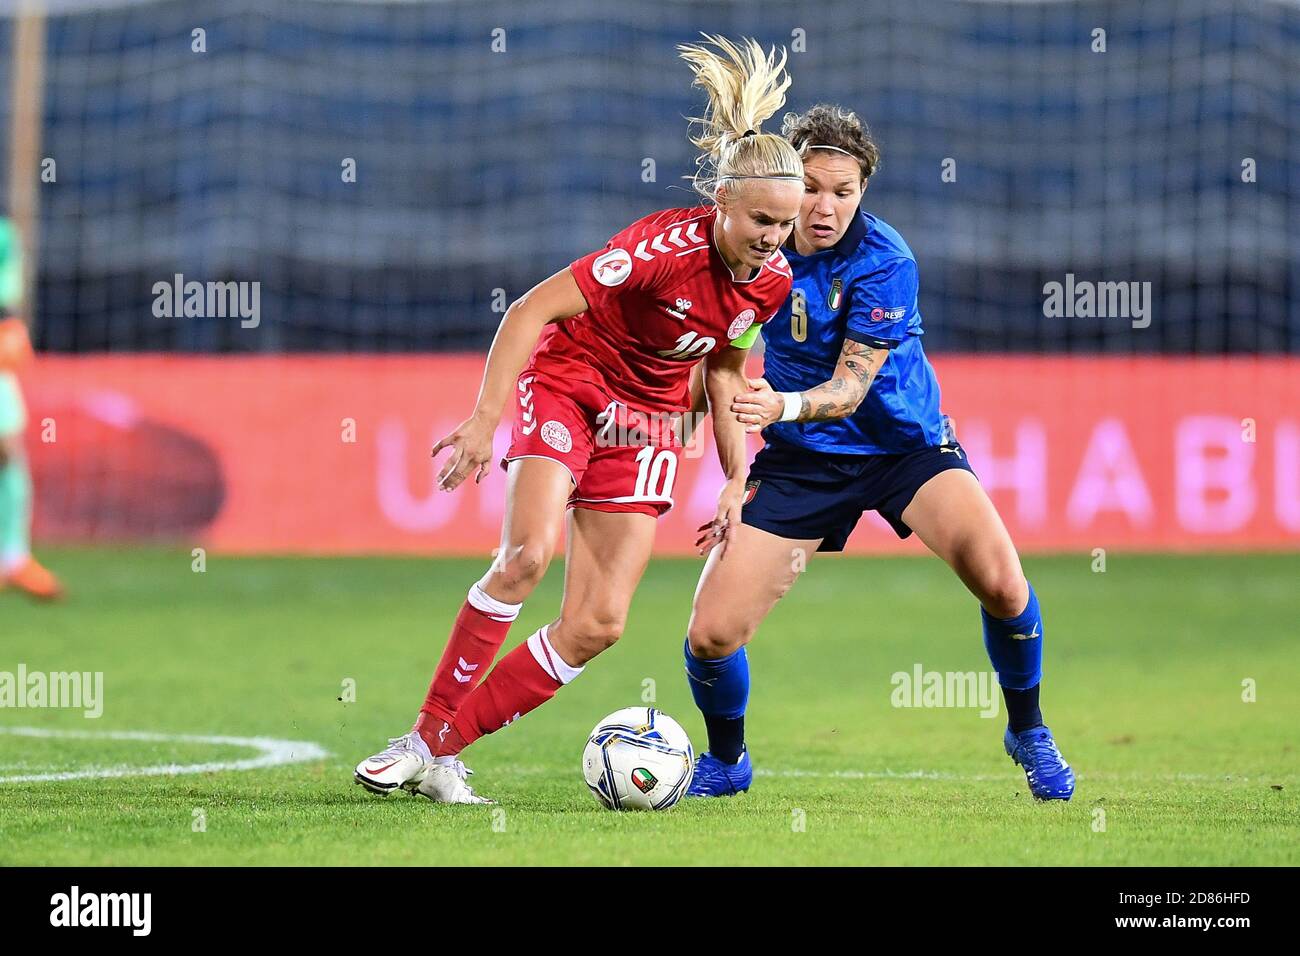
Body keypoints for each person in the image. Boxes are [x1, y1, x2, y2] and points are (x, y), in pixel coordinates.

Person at [354, 36, 803, 803]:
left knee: (597, 624)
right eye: (761, 219)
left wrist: (736, 479)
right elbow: (531, 309)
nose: (773, 238)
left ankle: (441, 752)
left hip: (649, 427)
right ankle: (420, 737)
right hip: (573, 387)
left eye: (786, 225)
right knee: (528, 555)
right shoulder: (657, 250)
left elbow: (726, 372)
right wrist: (482, 419)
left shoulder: (770, 286)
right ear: (722, 201)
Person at [681, 104, 1075, 801]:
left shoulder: (884, 259)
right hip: (803, 459)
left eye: (845, 191)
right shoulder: (752, 250)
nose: (825, 207)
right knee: (711, 635)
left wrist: (777, 404)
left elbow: (852, 388)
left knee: (1005, 585)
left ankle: (1028, 728)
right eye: (812, 187)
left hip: (904, 448)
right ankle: (728, 760)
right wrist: (708, 440)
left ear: (864, 191)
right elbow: (718, 351)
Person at [0, 215, 64, 601]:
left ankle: (13, 556)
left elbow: (7, 300)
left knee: (8, 452)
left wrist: (8, 329)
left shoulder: (5, 234)